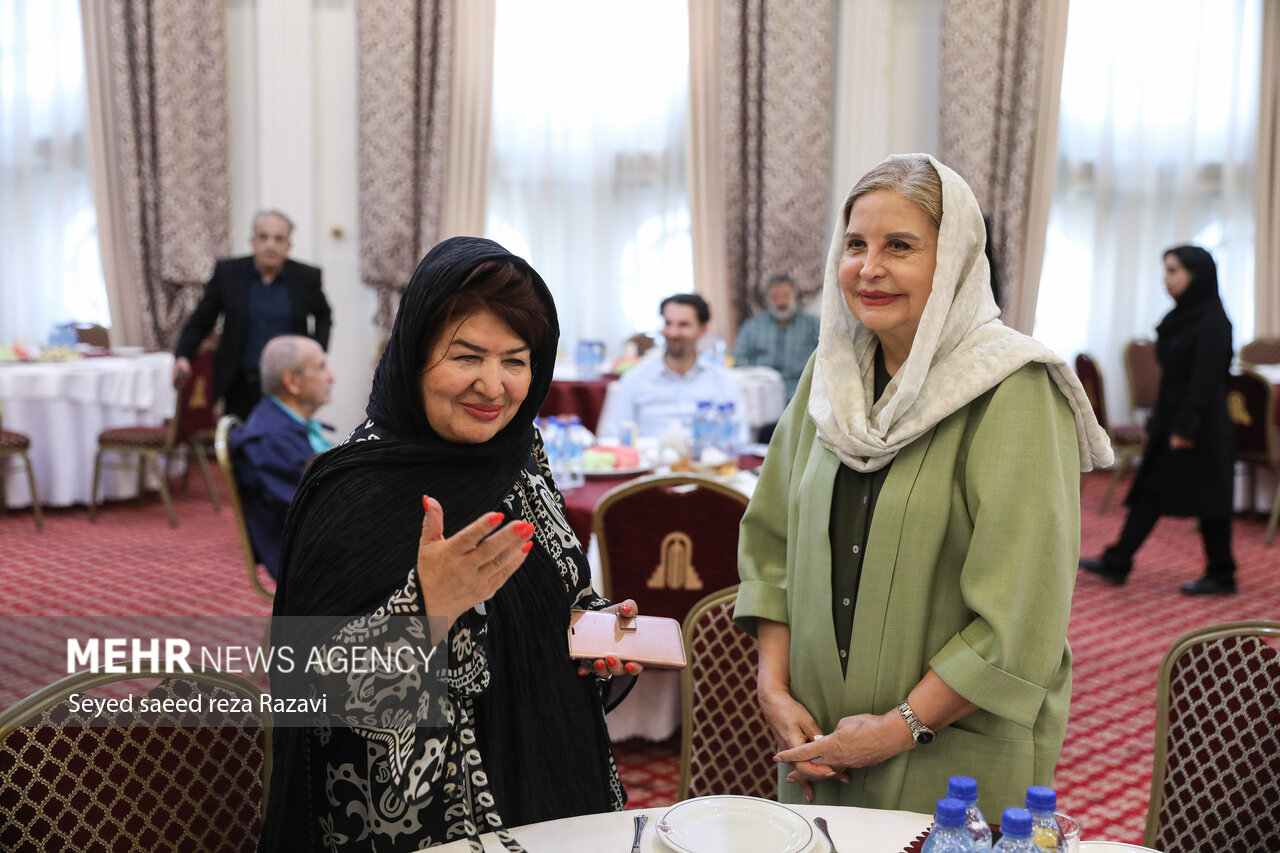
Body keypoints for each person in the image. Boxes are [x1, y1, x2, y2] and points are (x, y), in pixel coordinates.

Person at [733, 155, 1112, 816]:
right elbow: (772, 547)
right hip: (821, 742)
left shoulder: (1013, 389)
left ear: (957, 261)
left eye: (900, 246)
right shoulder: (830, 380)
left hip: (951, 755)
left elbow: (1019, 614)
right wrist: (773, 685)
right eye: (856, 244)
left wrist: (894, 728)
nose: (869, 267)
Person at [260, 237, 643, 852]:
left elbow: (561, 586)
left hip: (555, 781)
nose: (493, 387)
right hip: (427, 822)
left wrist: (595, 629)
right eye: (467, 356)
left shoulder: (522, 457)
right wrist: (426, 610)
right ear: (414, 355)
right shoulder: (353, 489)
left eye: (516, 361)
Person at [1079, 246, 1237, 594]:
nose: (1165, 279)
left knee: (1211, 500)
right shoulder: (1183, 316)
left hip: (1200, 426)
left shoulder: (1211, 322)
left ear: (1197, 276)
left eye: (1173, 271)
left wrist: (1185, 426)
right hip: (1174, 419)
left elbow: (1205, 381)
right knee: (1151, 490)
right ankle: (1118, 560)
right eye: (1165, 270)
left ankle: (1222, 573)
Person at [172, 210, 331, 419]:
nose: (270, 245)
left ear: (288, 245)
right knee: (239, 443)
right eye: (263, 237)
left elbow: (323, 316)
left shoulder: (306, 277)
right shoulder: (228, 273)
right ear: (253, 241)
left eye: (279, 239)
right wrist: (183, 355)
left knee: (288, 445)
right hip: (239, 382)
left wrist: (314, 354)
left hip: (289, 385)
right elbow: (202, 319)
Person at [229, 335, 335, 580]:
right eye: (321, 367)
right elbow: (318, 511)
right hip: (307, 559)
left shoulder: (287, 425)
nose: (332, 377)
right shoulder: (269, 440)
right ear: (292, 381)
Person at [596, 293, 747, 442]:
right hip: (650, 461)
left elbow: (739, 440)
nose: (673, 333)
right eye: (668, 323)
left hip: (704, 462)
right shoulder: (635, 379)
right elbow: (612, 437)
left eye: (683, 325)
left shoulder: (724, 381)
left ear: (703, 330)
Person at [732, 273, 820, 401]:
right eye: (775, 297)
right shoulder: (752, 326)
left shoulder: (812, 325)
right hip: (761, 394)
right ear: (767, 299)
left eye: (785, 296)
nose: (781, 302)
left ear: (794, 296)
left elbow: (825, 358)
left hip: (801, 393)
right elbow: (739, 359)